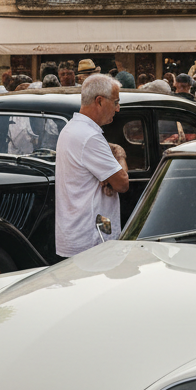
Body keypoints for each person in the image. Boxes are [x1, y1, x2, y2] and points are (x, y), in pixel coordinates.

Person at [54, 75, 128, 259]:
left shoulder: (72, 129)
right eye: (116, 102)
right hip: (91, 241)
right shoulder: (90, 136)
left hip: (76, 235)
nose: (118, 109)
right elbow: (122, 183)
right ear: (100, 101)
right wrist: (120, 154)